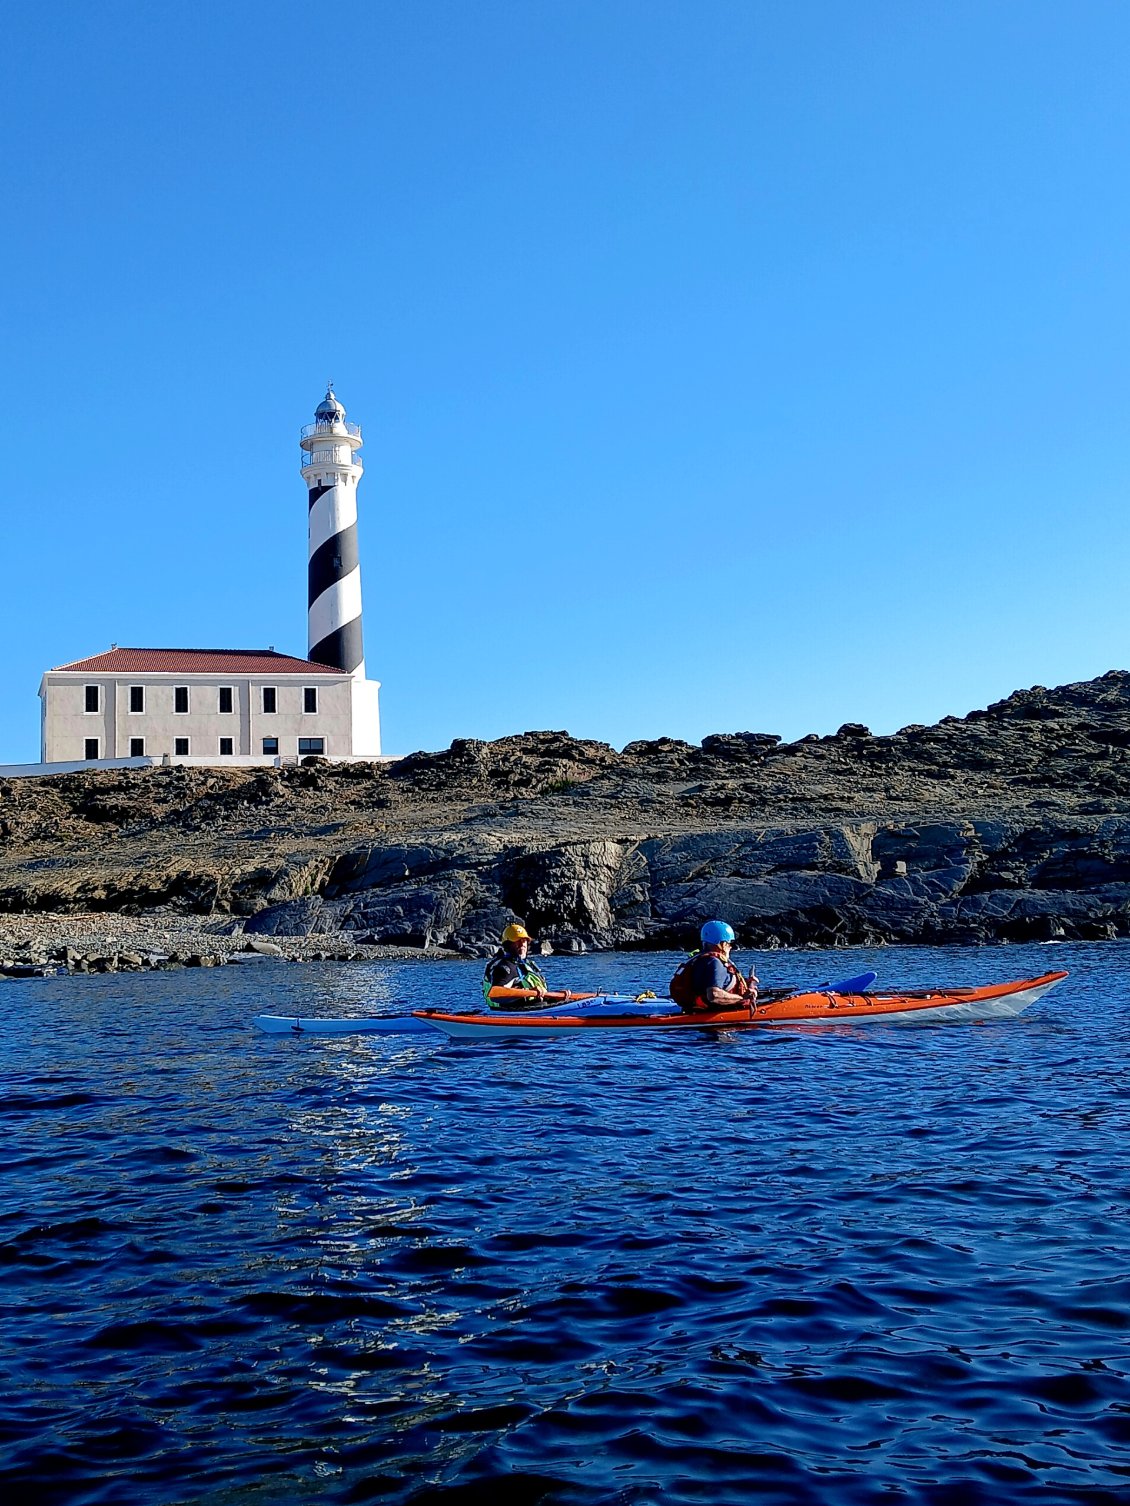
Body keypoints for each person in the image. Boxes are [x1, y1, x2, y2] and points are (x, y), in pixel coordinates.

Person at [669, 920, 759, 1014]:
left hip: (695, 1010)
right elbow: (714, 995)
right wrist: (743, 998)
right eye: (730, 943)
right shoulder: (715, 963)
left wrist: (744, 984)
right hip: (714, 1019)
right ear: (723, 944)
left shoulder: (700, 960)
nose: (731, 947)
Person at [482, 923, 578, 1010]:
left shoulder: (527, 965)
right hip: (517, 1012)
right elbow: (495, 995)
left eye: (524, 941)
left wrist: (557, 995)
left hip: (534, 1006)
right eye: (518, 941)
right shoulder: (505, 967)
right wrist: (528, 991)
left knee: (563, 1001)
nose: (522, 944)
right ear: (508, 944)